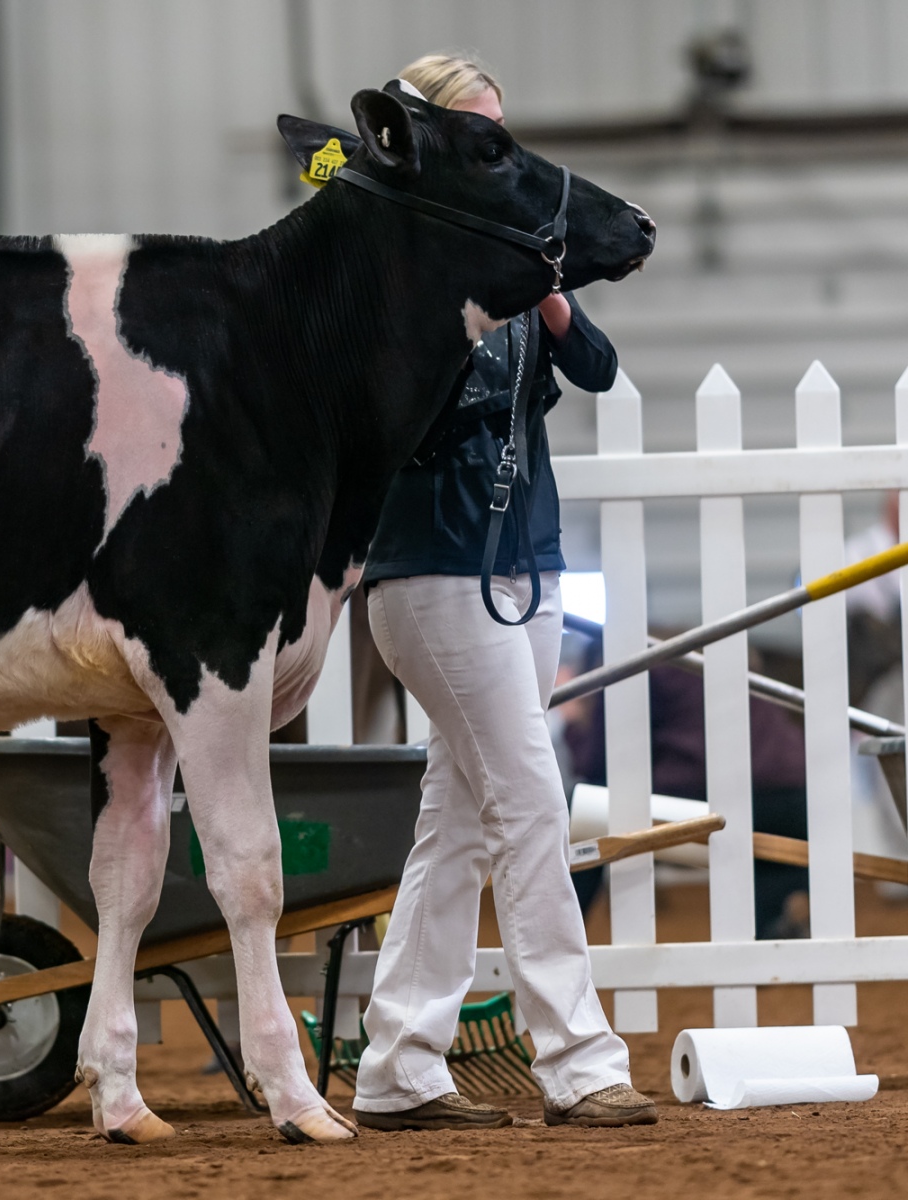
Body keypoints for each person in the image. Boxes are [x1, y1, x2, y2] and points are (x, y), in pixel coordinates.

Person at [352, 55, 657, 1131]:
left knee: (461, 829)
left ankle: (397, 1065)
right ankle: (579, 1060)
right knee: (531, 804)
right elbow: (401, 422)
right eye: (483, 137)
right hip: (432, 574)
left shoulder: (514, 274)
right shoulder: (398, 273)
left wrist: (549, 296)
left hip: (526, 568)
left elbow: (599, 369)